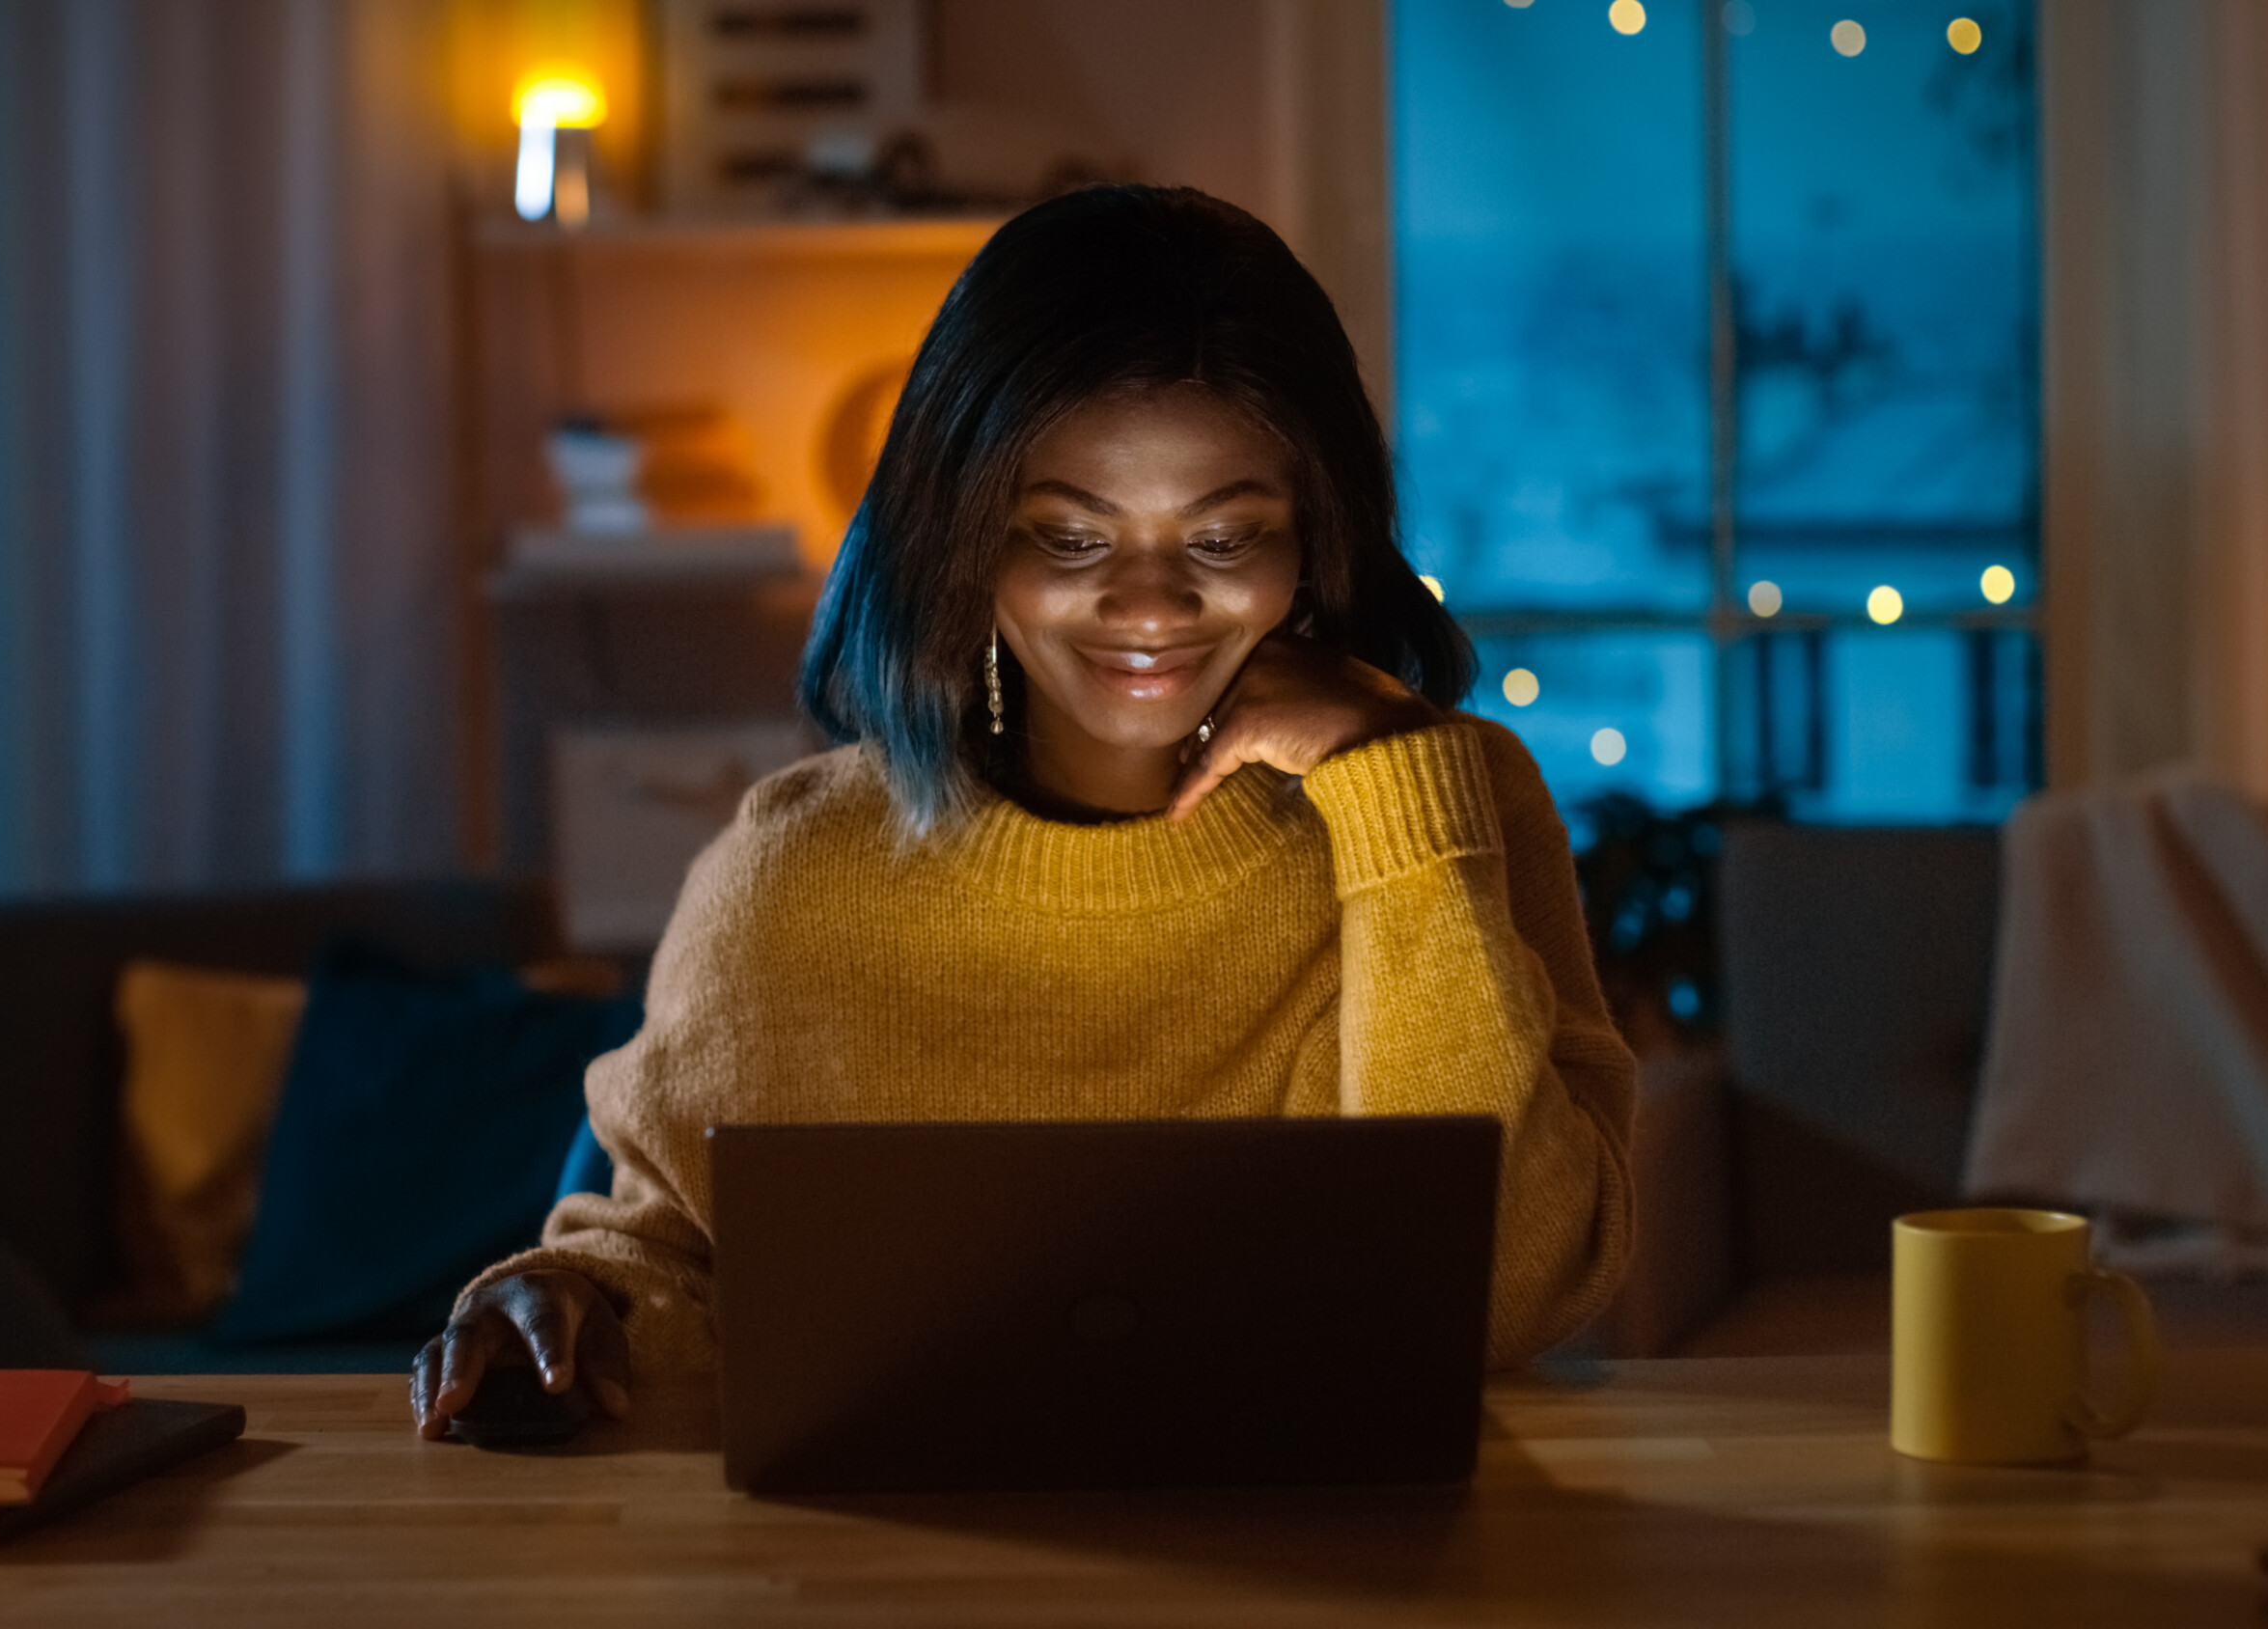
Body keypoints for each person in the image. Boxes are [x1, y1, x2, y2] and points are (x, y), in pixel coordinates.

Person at [413, 184, 1636, 1437]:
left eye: (1223, 540)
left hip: (1359, 1550)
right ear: (965, 542)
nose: (1151, 607)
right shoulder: (796, 874)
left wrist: (1391, 788)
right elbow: (668, 1270)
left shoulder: (1446, 802)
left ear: (1312, 540)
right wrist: (561, 1305)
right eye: (1068, 539)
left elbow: (1504, 1300)